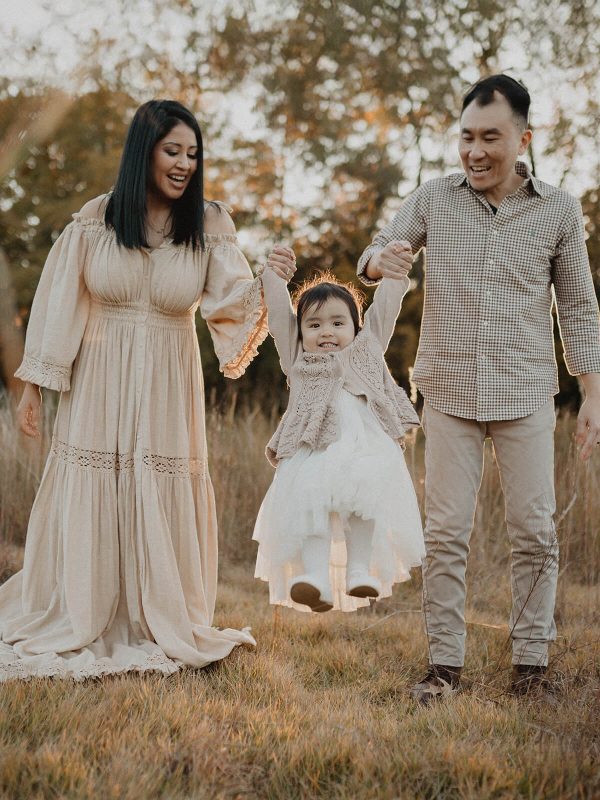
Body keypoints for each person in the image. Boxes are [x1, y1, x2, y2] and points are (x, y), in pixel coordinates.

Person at [0, 99, 295, 680]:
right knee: (94, 483)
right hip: (98, 379)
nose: (184, 163)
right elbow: (60, 305)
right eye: (172, 151)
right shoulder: (97, 217)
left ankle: (153, 616)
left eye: (192, 153)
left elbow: (230, 306)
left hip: (167, 378)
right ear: (145, 151)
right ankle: (81, 610)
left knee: (157, 484)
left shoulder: (208, 223)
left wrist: (270, 279)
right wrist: (33, 386)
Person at [357, 75, 600, 701]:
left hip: (524, 394)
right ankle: (444, 667)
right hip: (449, 392)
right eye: (466, 137)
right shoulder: (435, 199)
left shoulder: (558, 209)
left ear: (523, 137)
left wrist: (593, 394)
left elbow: (577, 306)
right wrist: (377, 263)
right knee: (445, 533)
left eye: (491, 137)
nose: (475, 152)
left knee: (535, 531)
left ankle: (531, 667)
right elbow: (380, 248)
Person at [252, 251, 425, 613]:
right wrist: (273, 275)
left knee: (365, 504)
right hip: (313, 448)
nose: (326, 331)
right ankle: (315, 578)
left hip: (367, 448)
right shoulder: (297, 357)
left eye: (337, 323)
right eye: (314, 325)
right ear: (300, 333)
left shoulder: (369, 346)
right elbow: (280, 315)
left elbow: (388, 305)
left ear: (356, 328)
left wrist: (394, 271)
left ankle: (359, 570)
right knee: (311, 505)